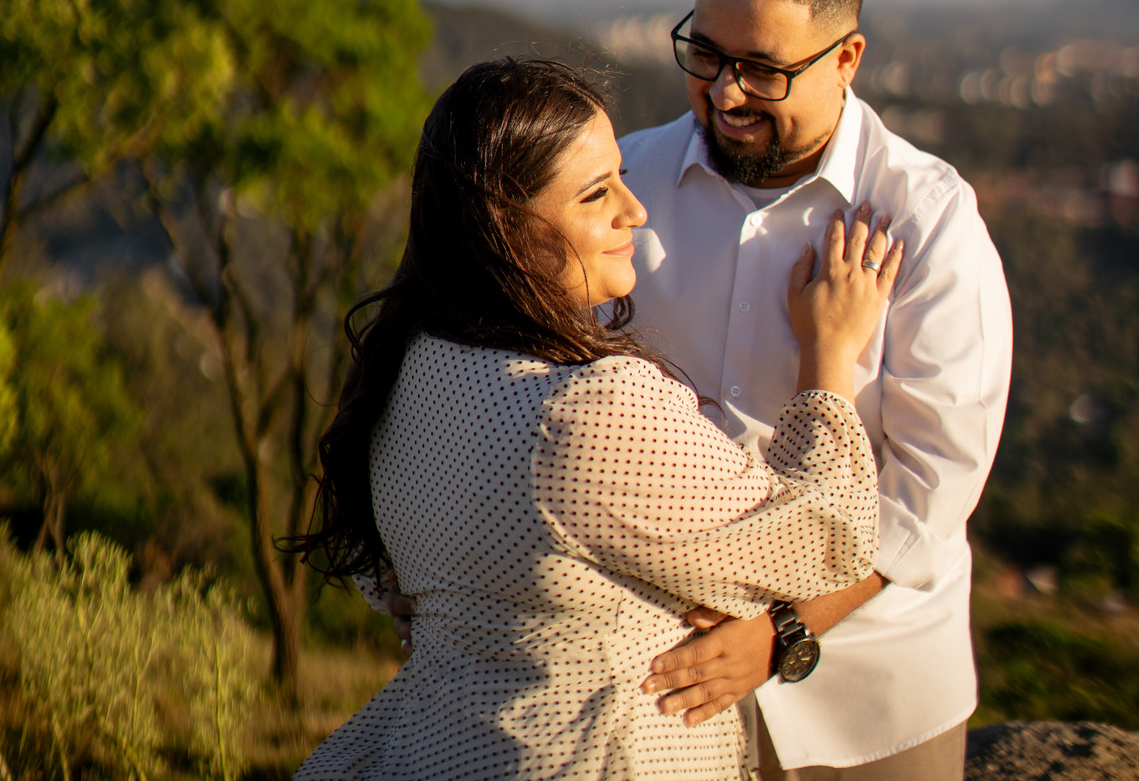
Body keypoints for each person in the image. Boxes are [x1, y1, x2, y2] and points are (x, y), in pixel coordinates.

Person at [293, 56, 899, 781]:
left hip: (436, 748)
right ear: (505, 229)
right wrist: (830, 355)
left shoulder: (410, 362)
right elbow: (827, 540)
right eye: (594, 195)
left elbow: (387, 580)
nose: (633, 211)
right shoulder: (586, 412)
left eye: (621, 177)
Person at [624, 0, 1013, 781]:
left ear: (846, 60)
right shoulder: (621, 186)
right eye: (708, 54)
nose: (724, 93)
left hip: (872, 697)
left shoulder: (928, 221)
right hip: (664, 684)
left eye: (762, 70)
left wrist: (782, 632)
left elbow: (931, 487)